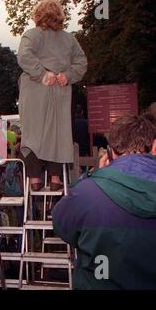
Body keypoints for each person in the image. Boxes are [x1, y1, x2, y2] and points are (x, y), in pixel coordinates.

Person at [52, 115, 156, 289]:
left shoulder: (87, 193)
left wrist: (92, 176)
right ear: (154, 147)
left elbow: (62, 227)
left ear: (110, 152)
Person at [17, 0, 87, 191]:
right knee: (58, 133)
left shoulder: (31, 35)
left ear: (38, 15)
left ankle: (34, 178)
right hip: (60, 91)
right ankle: (56, 178)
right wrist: (68, 76)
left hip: (36, 89)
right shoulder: (70, 39)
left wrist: (41, 74)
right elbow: (82, 62)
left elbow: (24, 56)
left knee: (32, 134)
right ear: (60, 16)